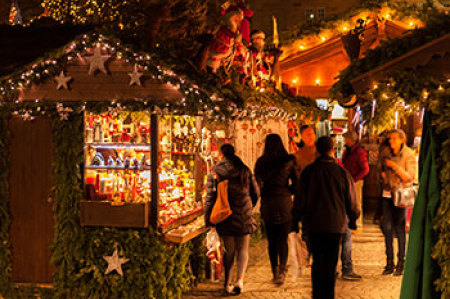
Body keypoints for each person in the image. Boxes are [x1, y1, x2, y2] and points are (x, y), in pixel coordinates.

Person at [292, 136, 360, 299]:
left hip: (313, 224)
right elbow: (351, 199)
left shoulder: (309, 172)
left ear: (317, 149)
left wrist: (295, 220)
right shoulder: (342, 173)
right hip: (335, 225)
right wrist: (353, 219)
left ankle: (317, 295)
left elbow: (300, 199)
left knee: (317, 261)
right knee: (330, 263)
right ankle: (328, 295)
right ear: (332, 150)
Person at [204, 144, 260, 295]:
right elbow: (256, 193)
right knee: (243, 249)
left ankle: (227, 282)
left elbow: (210, 198)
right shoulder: (245, 170)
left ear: (221, 155)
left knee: (229, 250)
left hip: (225, 215)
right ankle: (240, 281)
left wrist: (208, 219)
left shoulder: (216, 172)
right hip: (244, 214)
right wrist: (249, 207)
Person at [254, 134, 297, 285]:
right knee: (283, 239)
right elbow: (296, 183)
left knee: (272, 240)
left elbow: (257, 185)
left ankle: (275, 270)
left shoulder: (261, 163)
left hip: (268, 201)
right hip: (284, 201)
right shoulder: (289, 160)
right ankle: (283, 270)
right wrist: (288, 191)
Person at [378, 129, 416, 276]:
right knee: (387, 228)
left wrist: (395, 167)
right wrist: (383, 176)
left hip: (401, 195)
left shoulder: (408, 154)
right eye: (389, 139)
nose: (391, 141)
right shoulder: (385, 153)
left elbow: (409, 177)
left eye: (394, 138)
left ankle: (401, 261)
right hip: (387, 194)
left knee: (400, 229)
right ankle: (389, 262)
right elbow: (379, 171)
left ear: (402, 139)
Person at [338, 130, 369, 281]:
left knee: (355, 203)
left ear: (351, 140)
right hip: (347, 181)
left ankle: (356, 224)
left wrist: (353, 179)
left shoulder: (359, 152)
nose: (344, 141)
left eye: (346, 139)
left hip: (354, 181)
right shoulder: (347, 150)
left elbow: (365, 169)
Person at [293, 124, 317, 267]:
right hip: (305, 196)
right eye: (307, 134)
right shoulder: (298, 155)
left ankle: (315, 253)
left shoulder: (321, 152)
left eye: (312, 133)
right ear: (301, 136)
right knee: (307, 227)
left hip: (320, 196)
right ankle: (309, 252)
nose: (310, 136)